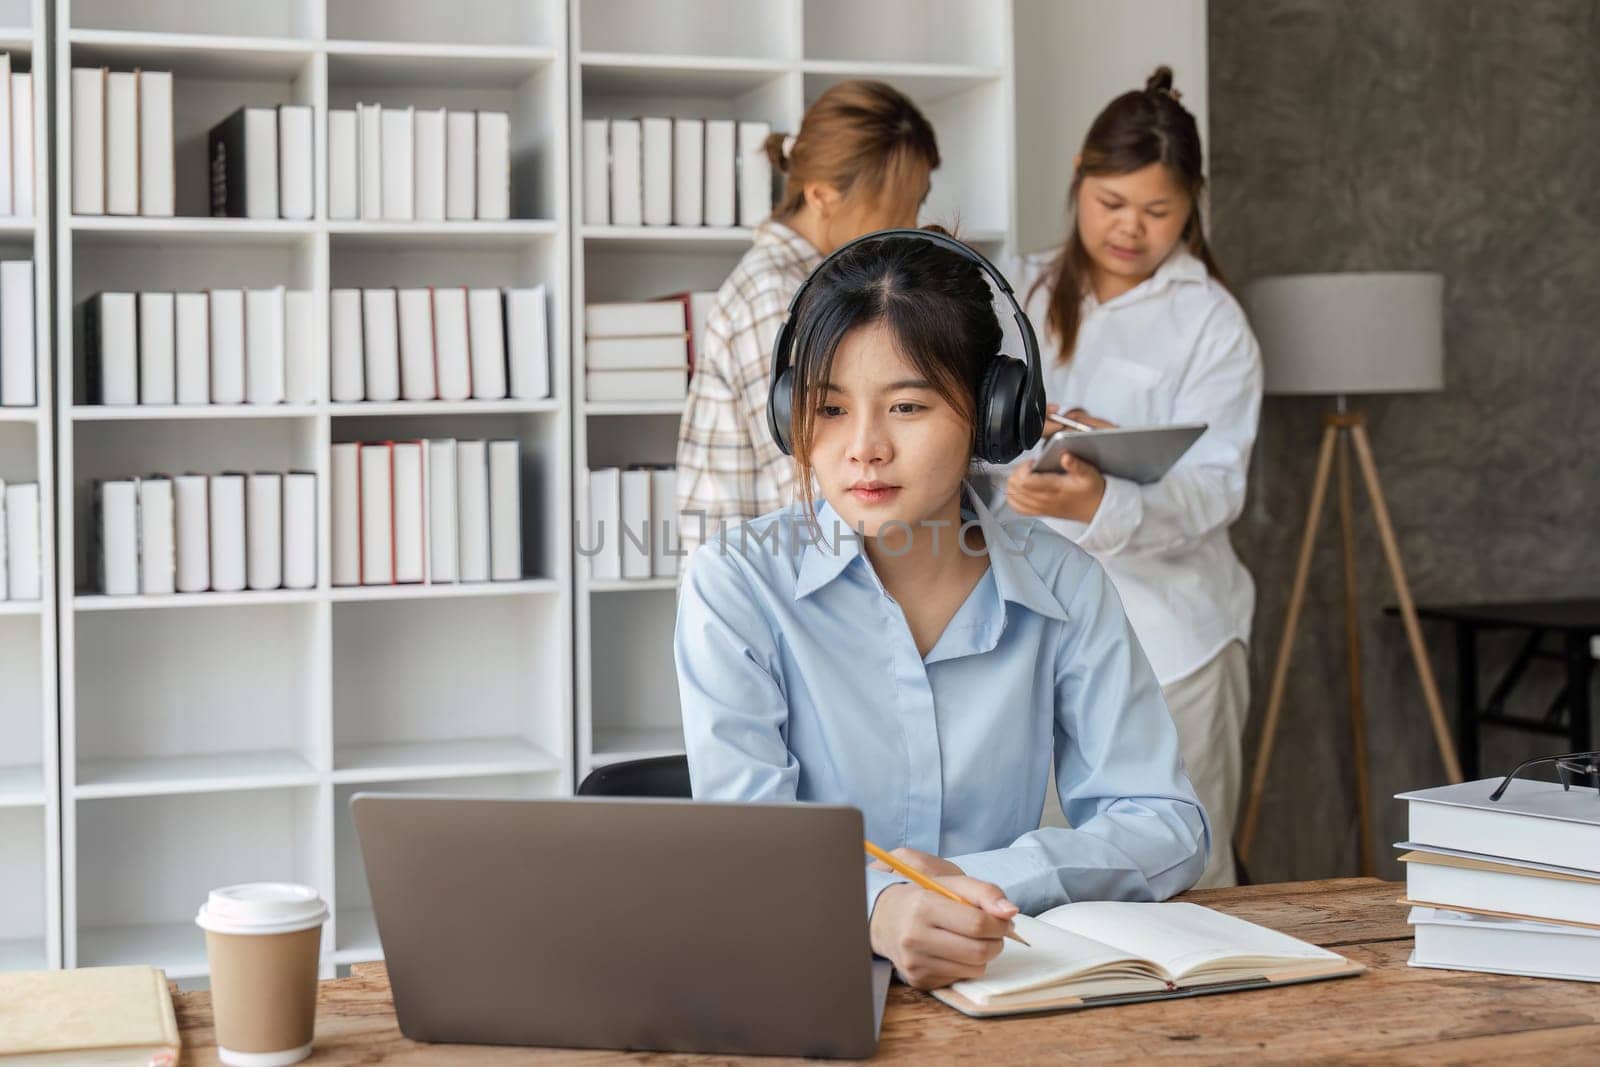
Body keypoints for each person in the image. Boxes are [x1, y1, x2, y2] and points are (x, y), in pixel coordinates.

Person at [675, 230, 1208, 990]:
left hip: (1000, 983)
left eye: (906, 405)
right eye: (828, 408)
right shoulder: (735, 585)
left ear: (994, 415)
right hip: (792, 987)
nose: (863, 447)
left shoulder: (1065, 584)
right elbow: (749, 844)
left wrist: (969, 879)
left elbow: (1166, 822)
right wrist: (876, 908)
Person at [999, 67, 1263, 888]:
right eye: (1112, 204)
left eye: (1158, 212)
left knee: (1187, 869)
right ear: (1079, 181)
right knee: (1041, 870)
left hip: (1175, 641)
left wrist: (1103, 497)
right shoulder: (1023, 291)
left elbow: (1217, 488)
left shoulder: (1212, 320)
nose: (1131, 230)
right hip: (1035, 637)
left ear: (1191, 207)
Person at [676, 81, 940, 555]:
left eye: (915, 206)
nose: (910, 228)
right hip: (768, 594)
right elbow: (813, 483)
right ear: (821, 196)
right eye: (892, 212)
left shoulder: (813, 286)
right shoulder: (779, 297)